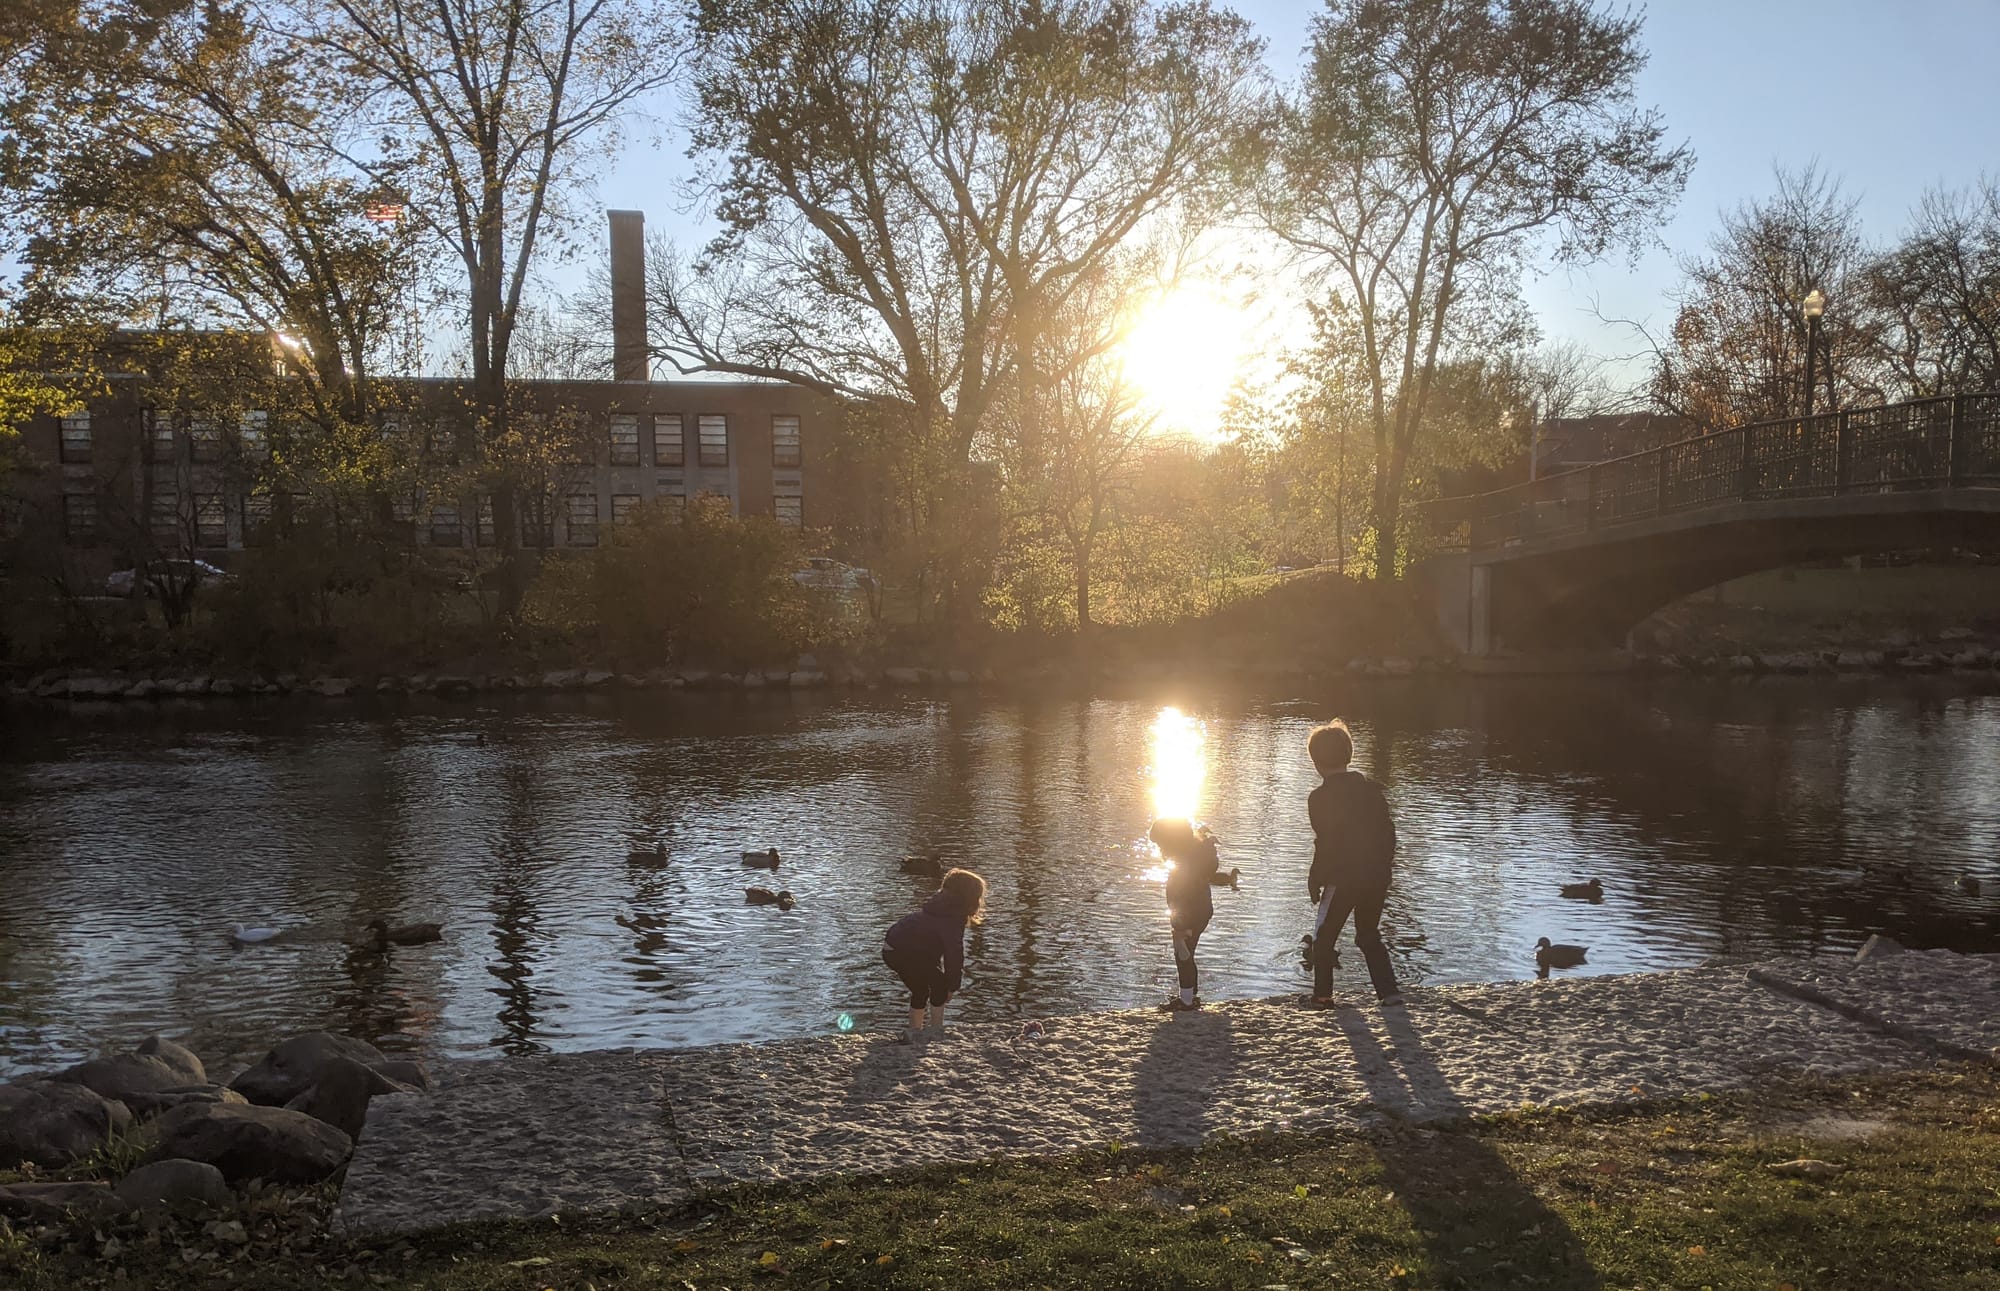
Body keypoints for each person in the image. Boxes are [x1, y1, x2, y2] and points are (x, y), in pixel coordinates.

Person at [1303, 719, 1402, 1007]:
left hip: (1342, 878)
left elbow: (1326, 842)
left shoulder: (1319, 798)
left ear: (1315, 761)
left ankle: (1322, 997)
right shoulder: (1371, 790)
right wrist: (1384, 869)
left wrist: (1315, 877)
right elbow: (1389, 834)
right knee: (1368, 934)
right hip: (1376, 875)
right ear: (1347, 754)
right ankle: (1389, 993)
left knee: (1324, 939)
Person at [881, 868, 987, 1039]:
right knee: (939, 986)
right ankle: (936, 1030)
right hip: (906, 951)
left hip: (892, 948)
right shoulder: (953, 916)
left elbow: (932, 947)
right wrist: (952, 985)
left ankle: (914, 1031)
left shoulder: (936, 906)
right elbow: (954, 953)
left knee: (921, 989)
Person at [1150, 817, 1221, 1012]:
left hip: (1189, 915)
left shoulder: (1182, 864)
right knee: (1188, 952)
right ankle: (1190, 995)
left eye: (1160, 843)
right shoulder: (1195, 853)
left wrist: (1179, 927)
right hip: (1202, 911)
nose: (1159, 849)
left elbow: (1179, 898)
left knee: (1182, 955)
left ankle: (1187, 1001)